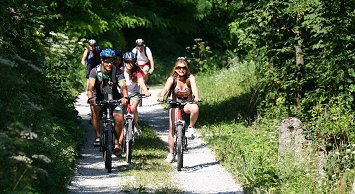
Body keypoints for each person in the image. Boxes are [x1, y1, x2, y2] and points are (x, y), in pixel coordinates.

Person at [158, 57, 201, 162]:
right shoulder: (172, 79)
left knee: (195, 108)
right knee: (172, 128)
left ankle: (190, 128)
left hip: (187, 103)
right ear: (175, 68)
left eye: (184, 68)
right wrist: (161, 96)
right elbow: (166, 89)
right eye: (179, 67)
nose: (181, 70)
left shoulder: (190, 78)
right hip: (174, 104)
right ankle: (171, 153)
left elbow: (194, 88)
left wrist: (196, 97)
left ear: (187, 69)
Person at [87, 48, 128, 156]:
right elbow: (90, 87)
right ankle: (98, 136)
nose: (109, 64)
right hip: (99, 96)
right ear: (102, 61)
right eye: (107, 61)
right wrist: (91, 98)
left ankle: (117, 143)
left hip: (114, 96)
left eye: (111, 61)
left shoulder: (117, 71)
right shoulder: (94, 71)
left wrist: (125, 97)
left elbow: (123, 86)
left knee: (119, 118)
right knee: (94, 109)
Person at [121, 51, 150, 136]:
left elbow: (141, 82)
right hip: (123, 94)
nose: (130, 64)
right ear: (124, 62)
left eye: (132, 62)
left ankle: (136, 124)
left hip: (134, 93)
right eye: (127, 62)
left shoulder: (136, 71)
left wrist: (145, 91)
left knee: (133, 108)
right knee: (121, 111)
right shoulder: (120, 71)